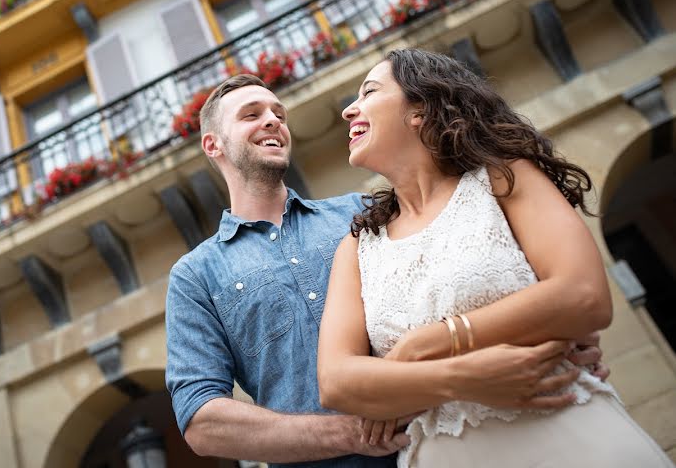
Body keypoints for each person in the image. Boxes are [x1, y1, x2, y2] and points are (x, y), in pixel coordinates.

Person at [165, 72, 609, 467]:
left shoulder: (366, 216)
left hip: (449, 443)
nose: (273, 120)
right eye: (251, 114)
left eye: (278, 113)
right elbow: (203, 421)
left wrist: (558, 338)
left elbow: (477, 273)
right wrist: (352, 432)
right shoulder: (196, 274)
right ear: (213, 144)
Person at [317, 49, 673, 467]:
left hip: (571, 437)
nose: (348, 111)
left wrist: (418, 349)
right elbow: (338, 383)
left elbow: (583, 296)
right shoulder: (358, 249)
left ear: (420, 110)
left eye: (369, 92)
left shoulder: (504, 178)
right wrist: (461, 378)